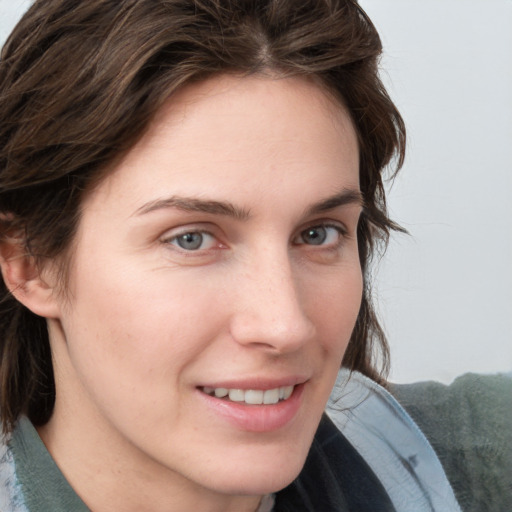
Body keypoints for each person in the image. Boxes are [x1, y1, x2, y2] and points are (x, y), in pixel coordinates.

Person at [0, 1, 466, 511]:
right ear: (30, 263)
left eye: (317, 234)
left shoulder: (468, 463)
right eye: (191, 239)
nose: (285, 325)